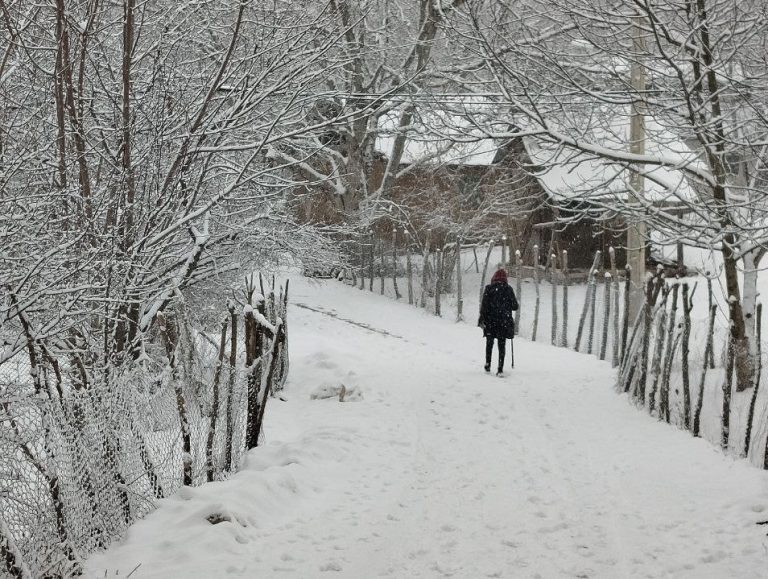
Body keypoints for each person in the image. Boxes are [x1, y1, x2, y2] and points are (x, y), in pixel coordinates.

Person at [478, 268, 519, 375]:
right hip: (503, 322)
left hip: (491, 321)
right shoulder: (508, 289)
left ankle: (488, 364)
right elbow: (515, 306)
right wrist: (507, 304)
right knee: (502, 345)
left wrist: (482, 319)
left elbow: (484, 306)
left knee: (489, 343)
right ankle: (500, 369)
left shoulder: (489, 288)